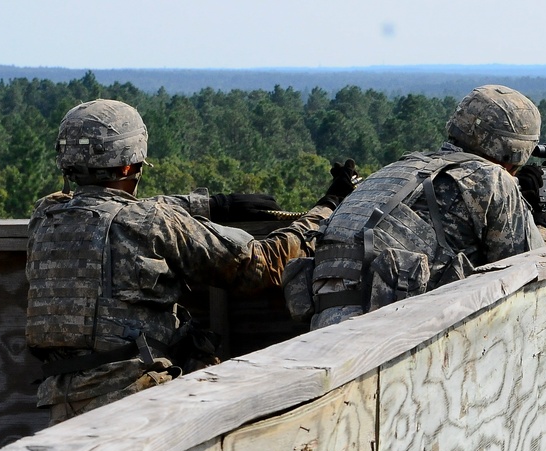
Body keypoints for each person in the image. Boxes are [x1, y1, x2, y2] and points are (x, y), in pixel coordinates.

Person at [26, 98, 356, 424]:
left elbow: (107, 207)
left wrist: (211, 204)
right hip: (134, 405)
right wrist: (326, 206)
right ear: (132, 164)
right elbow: (263, 264)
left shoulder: (45, 217)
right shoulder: (152, 222)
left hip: (62, 406)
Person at [282, 84, 546, 330]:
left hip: (322, 332)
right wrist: (544, 227)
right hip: (389, 338)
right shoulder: (491, 179)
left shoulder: (393, 171)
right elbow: (528, 270)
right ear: (517, 151)